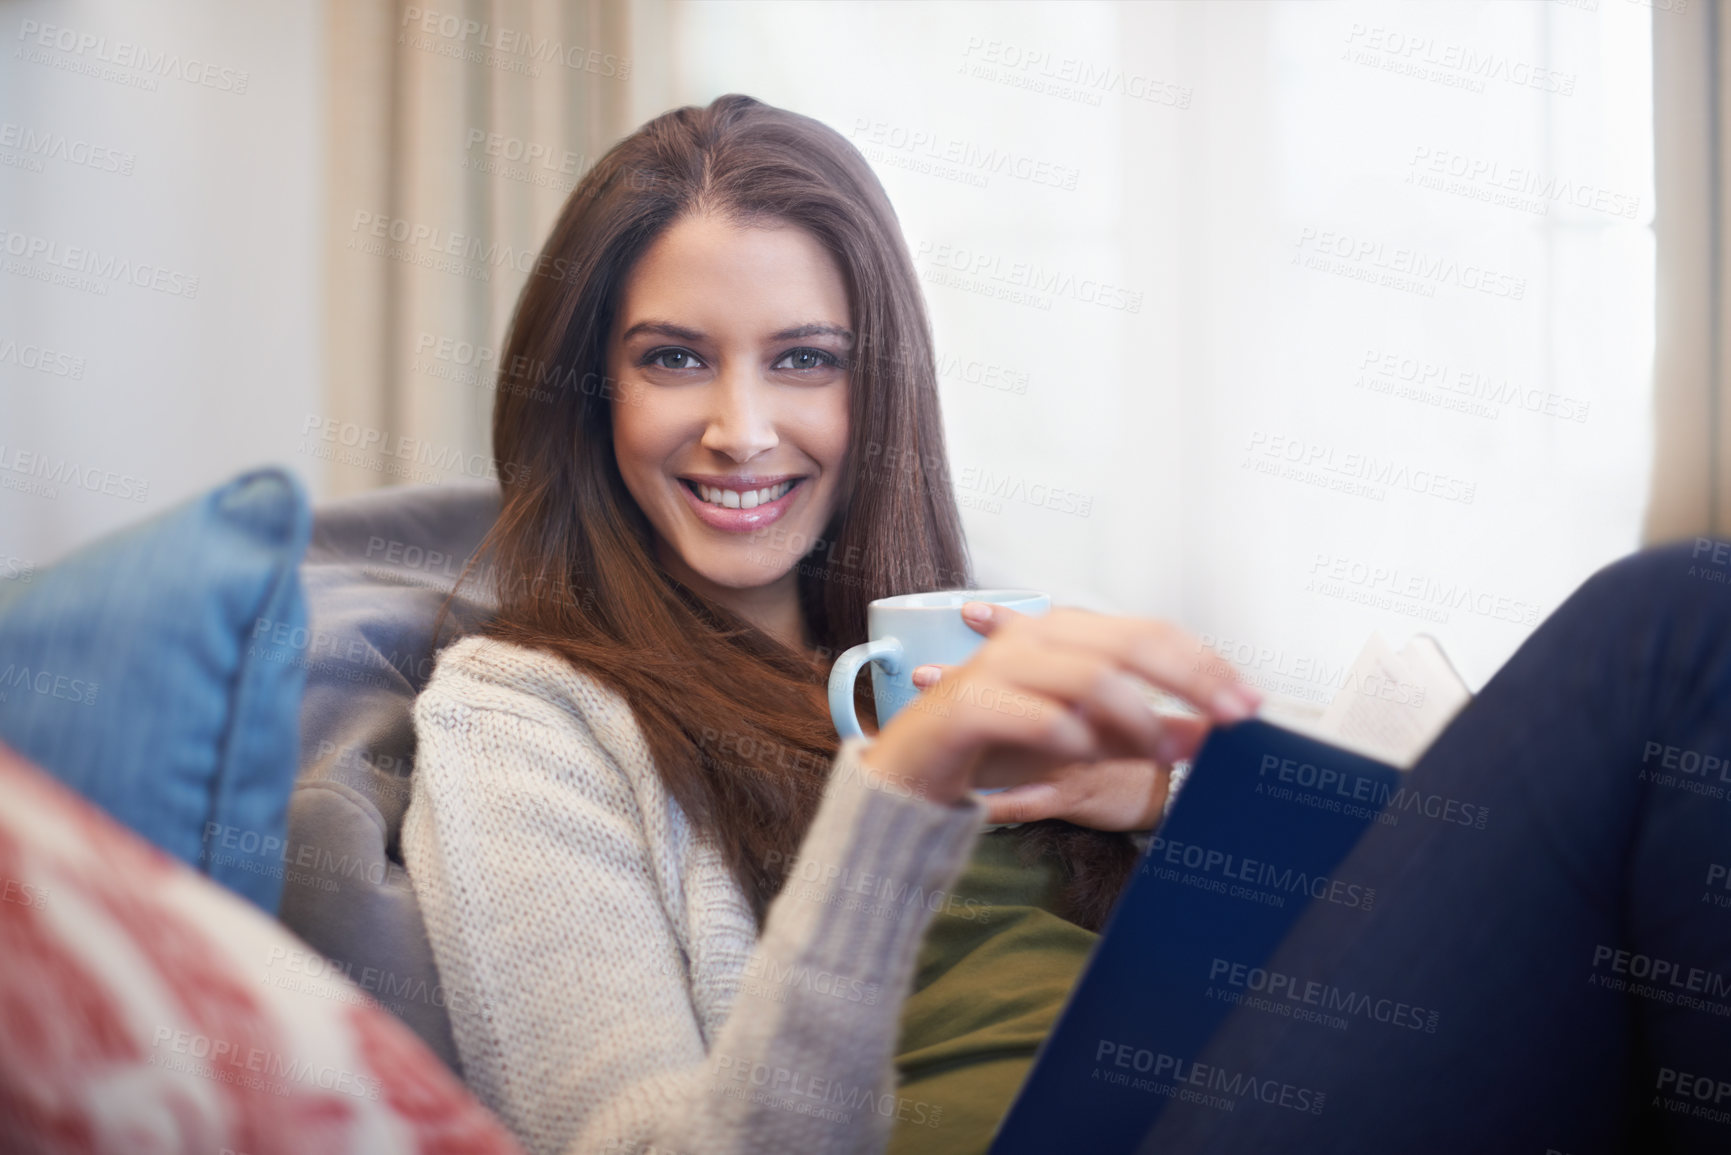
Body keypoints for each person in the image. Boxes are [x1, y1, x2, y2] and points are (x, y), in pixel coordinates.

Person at [404, 91, 1251, 1155]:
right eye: (674, 358)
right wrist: (891, 807)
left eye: (804, 359)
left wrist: (1156, 794)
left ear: (880, 388)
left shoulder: (969, 623)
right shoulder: (521, 715)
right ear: (591, 393)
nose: (742, 431)